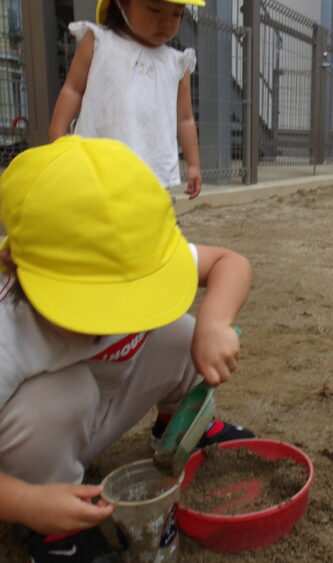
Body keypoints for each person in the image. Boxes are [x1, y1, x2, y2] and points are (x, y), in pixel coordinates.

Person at [0, 136, 254, 561]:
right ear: (13, 266)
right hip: (36, 451)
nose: (120, 318)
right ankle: (50, 525)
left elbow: (231, 263)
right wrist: (25, 502)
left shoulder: (128, 249)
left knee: (183, 332)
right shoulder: (7, 328)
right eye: (93, 301)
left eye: (133, 292)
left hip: (108, 400)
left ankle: (178, 431)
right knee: (58, 398)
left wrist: (214, 324)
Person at [49, 0, 204, 199]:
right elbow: (73, 90)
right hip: (96, 163)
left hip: (150, 172)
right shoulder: (99, 41)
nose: (167, 22)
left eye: (176, 14)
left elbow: (185, 119)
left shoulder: (177, 63)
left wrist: (193, 165)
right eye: (154, 9)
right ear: (122, 4)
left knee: (147, 216)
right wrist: (57, 134)